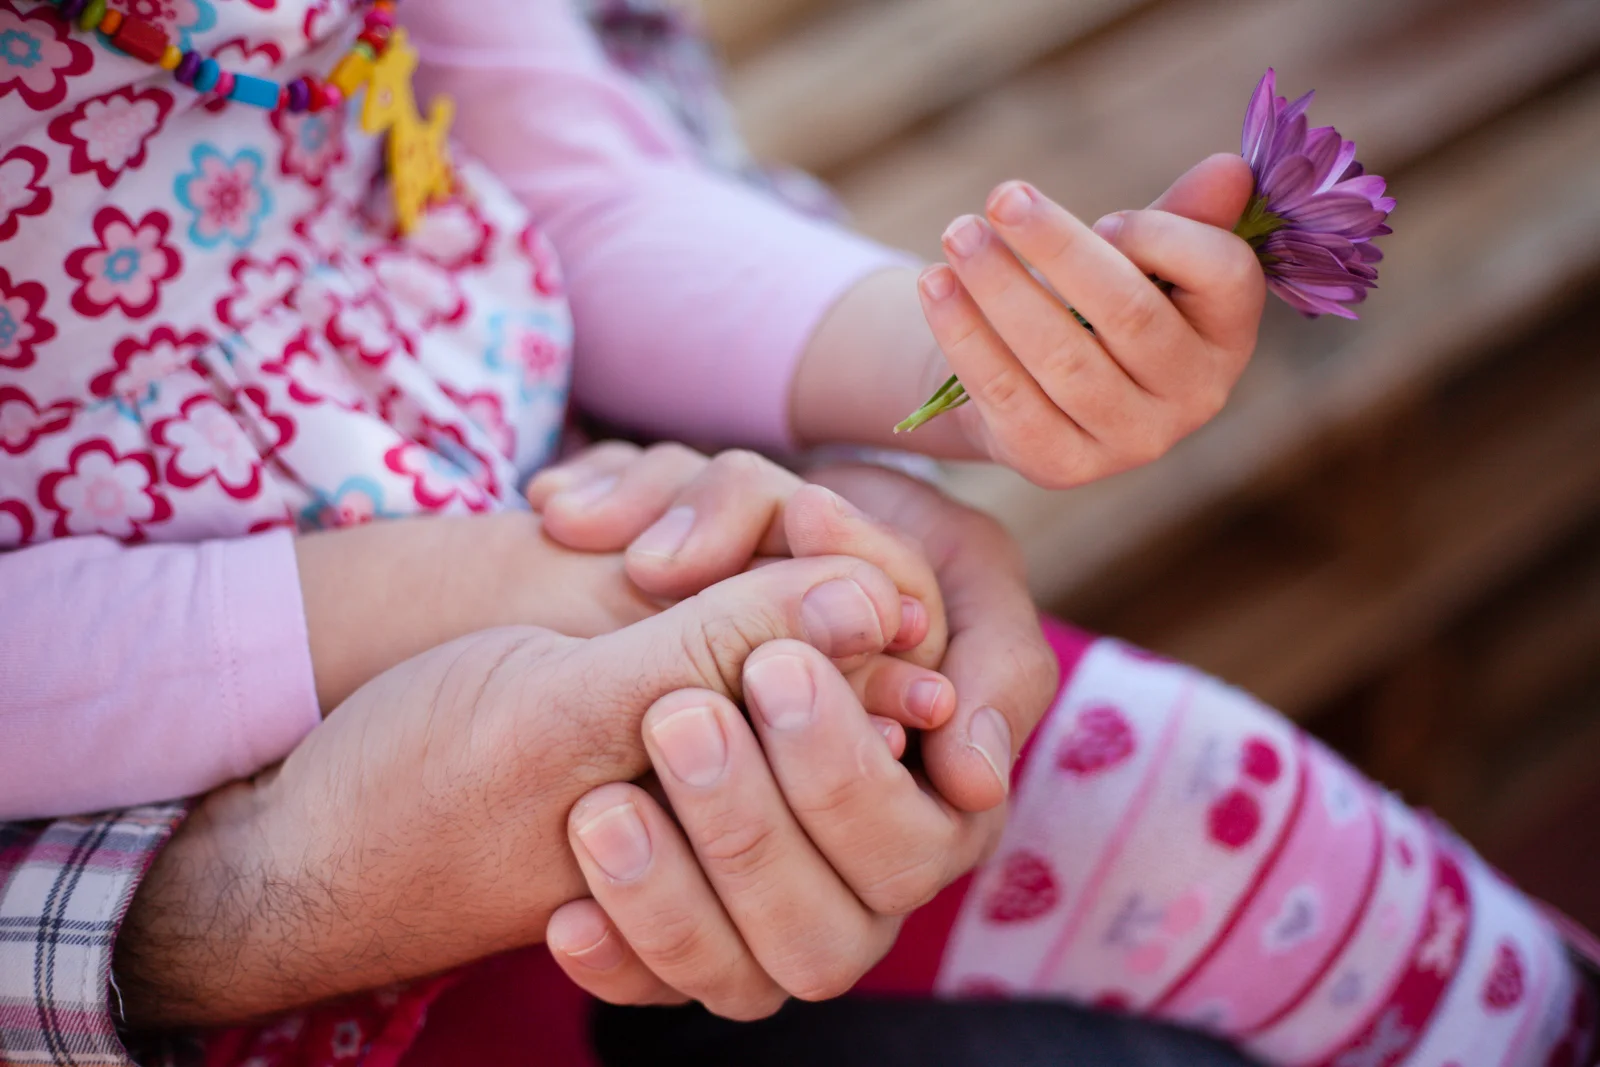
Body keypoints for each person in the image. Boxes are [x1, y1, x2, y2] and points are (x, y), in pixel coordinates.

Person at [0, 2, 1594, 1067]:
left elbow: (586, 191)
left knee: (1274, 842)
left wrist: (955, 356)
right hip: (278, 847)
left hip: (655, 585)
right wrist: (482, 588)